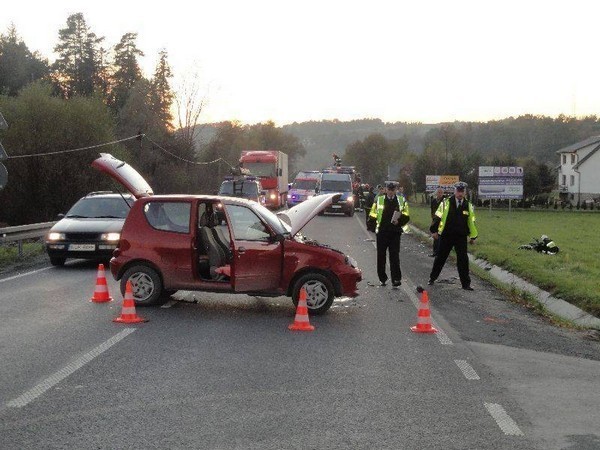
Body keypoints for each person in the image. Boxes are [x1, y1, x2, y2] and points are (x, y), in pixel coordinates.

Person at [428, 182, 478, 290]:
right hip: (446, 235)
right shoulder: (446, 203)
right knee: (440, 257)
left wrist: (473, 236)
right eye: (458, 191)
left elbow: (471, 222)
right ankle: (432, 278)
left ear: (465, 192)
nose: (460, 193)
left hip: (461, 236)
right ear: (454, 191)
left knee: (463, 260)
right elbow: (437, 217)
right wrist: (433, 231)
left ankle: (466, 284)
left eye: (462, 191)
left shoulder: (468, 205)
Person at [370, 182, 410, 288]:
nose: (391, 191)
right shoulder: (379, 200)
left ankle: (396, 279)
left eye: (393, 190)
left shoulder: (401, 200)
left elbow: (406, 215)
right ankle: (382, 278)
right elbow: (373, 214)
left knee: (394, 256)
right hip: (382, 232)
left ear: (395, 190)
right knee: (381, 256)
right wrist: (373, 227)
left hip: (395, 232)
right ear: (386, 190)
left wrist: (400, 221)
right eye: (389, 189)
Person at [429, 187, 446, 257]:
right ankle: (434, 252)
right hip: (435, 220)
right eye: (438, 192)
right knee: (435, 236)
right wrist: (433, 218)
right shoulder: (433, 201)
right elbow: (432, 210)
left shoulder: (445, 201)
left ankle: (440, 253)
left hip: (442, 221)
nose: (440, 194)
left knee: (441, 237)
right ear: (436, 193)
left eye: (441, 193)